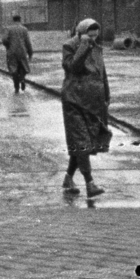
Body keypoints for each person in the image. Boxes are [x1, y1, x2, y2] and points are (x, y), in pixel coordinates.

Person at [60, 18, 111, 197]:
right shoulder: (69, 46)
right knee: (82, 142)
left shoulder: (97, 48)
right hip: (74, 101)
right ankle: (90, 183)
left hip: (93, 103)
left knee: (83, 142)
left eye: (95, 36)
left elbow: (102, 73)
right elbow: (73, 67)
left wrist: (106, 95)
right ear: (81, 33)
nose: (93, 39)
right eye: (89, 36)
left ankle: (68, 178)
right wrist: (83, 46)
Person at [2, 14, 34, 93]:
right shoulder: (24, 29)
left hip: (12, 51)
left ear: (13, 20)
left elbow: (4, 39)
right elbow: (28, 42)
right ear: (20, 20)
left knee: (13, 68)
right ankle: (22, 79)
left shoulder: (8, 29)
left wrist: (8, 46)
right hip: (22, 51)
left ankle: (16, 87)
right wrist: (30, 52)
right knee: (23, 66)